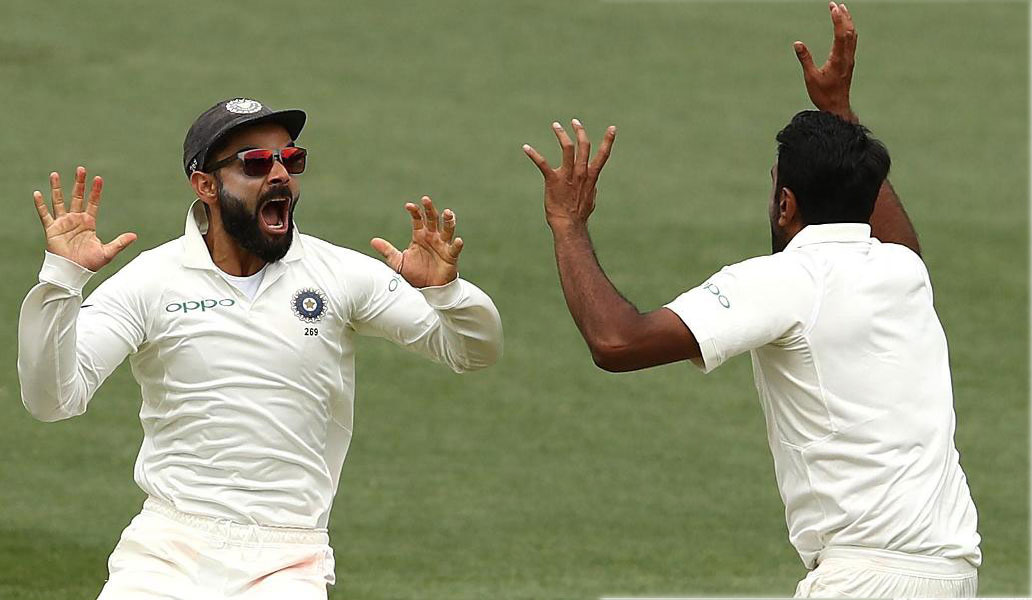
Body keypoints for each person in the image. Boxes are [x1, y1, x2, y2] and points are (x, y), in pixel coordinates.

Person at [522, 3, 979, 597]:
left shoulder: (786, 280)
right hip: (952, 573)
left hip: (865, 582)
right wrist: (838, 114)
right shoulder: (901, 272)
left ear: (785, 205)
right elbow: (891, 232)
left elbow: (616, 342)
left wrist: (567, 224)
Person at [18, 97, 503, 599]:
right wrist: (62, 280)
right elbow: (53, 400)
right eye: (255, 163)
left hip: (288, 559)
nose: (279, 175)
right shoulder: (151, 281)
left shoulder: (340, 274)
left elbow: (472, 352)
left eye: (290, 160)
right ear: (205, 184)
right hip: (166, 550)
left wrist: (446, 293)